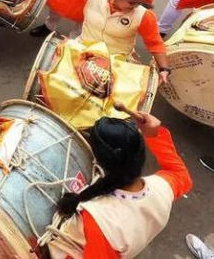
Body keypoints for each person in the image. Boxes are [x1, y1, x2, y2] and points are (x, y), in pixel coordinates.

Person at [40, 107, 191, 258]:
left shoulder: (99, 221)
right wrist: (154, 134)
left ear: (98, 160)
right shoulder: (162, 188)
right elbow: (181, 174)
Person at [45, 0, 171, 78]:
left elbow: (155, 43)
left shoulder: (144, 15)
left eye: (139, 3)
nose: (136, 7)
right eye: (131, 3)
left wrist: (164, 69)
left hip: (114, 61)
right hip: (82, 51)